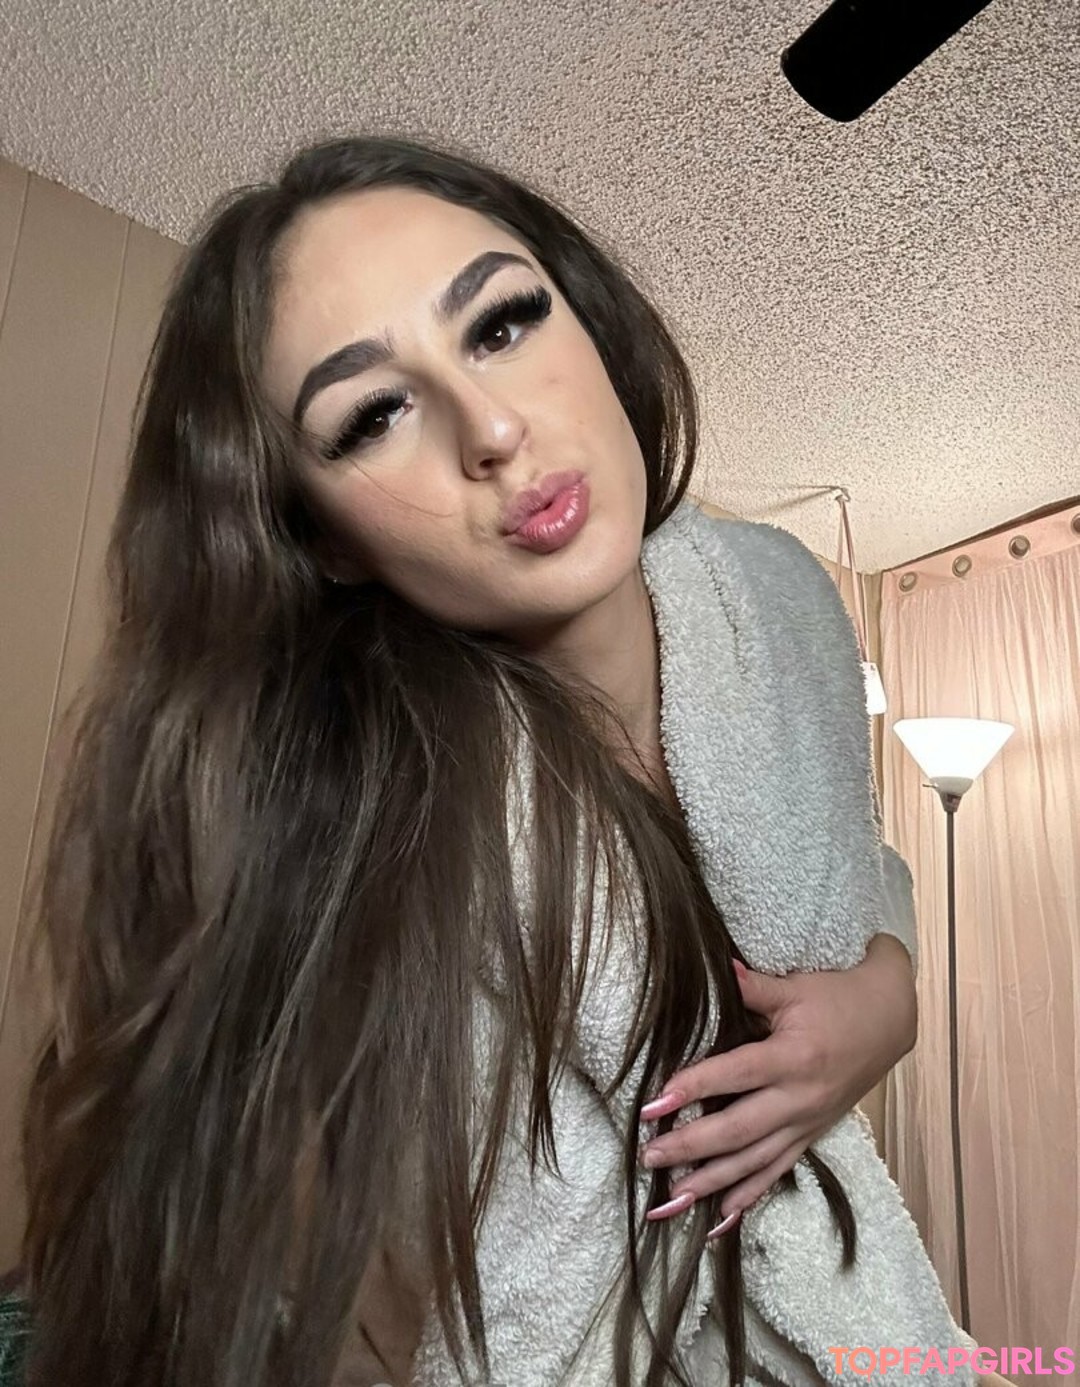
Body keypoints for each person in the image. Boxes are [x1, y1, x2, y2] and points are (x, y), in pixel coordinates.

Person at [14, 134, 983, 1387]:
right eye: (374, 414)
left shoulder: (776, 610)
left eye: (503, 322)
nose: (493, 427)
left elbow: (858, 864)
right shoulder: (351, 840)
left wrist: (888, 996)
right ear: (323, 538)